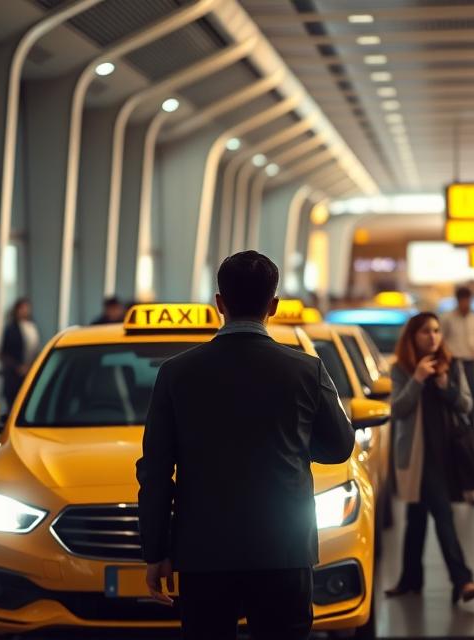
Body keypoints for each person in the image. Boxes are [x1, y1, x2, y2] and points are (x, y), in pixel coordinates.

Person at [136, 251, 354, 640]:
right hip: (284, 550)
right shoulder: (306, 369)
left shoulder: (176, 373)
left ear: (219, 303)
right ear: (274, 305)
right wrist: (295, 441)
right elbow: (338, 447)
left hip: (204, 554)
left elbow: (155, 469)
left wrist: (156, 550)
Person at [385, 312, 474, 605]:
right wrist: (417, 379)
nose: (433, 337)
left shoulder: (451, 365)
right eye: (426, 331)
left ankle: (411, 580)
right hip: (417, 456)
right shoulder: (402, 368)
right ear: (413, 336)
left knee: (419, 517)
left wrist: (444, 385)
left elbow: (466, 403)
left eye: (437, 331)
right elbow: (398, 409)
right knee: (440, 515)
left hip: (446, 454)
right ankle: (462, 580)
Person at [440, 286, 474, 505]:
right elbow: (442, 343)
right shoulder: (447, 319)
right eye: (463, 300)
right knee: (451, 423)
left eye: (469, 300)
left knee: (469, 422)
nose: (466, 304)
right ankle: (452, 485)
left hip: (470, 364)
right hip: (454, 366)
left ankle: (469, 486)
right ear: (458, 300)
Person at [0, 298, 40, 409]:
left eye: (26, 308)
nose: (24, 311)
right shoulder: (11, 329)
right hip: (14, 377)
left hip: (30, 374)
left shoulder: (33, 327)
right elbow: (3, 353)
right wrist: (18, 367)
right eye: (21, 308)